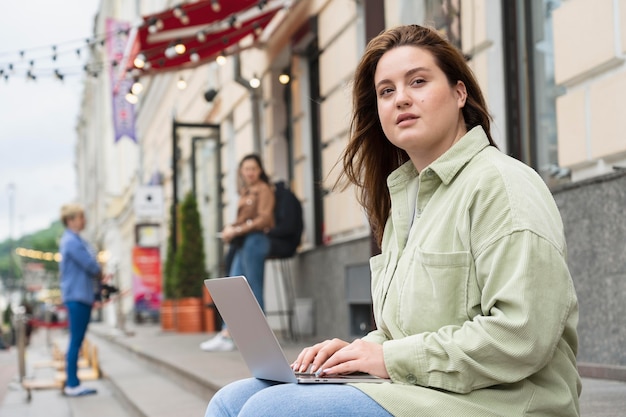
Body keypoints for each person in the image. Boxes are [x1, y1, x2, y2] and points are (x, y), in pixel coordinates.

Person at [203, 24, 580, 416]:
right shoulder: (408, 200)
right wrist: (357, 352)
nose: (401, 99)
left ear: (458, 92)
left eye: (418, 81)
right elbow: (407, 332)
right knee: (231, 400)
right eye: (387, 91)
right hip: (427, 390)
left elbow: (522, 336)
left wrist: (387, 358)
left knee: (270, 410)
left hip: (501, 402)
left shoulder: (502, 185)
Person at [201, 154, 275, 352]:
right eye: (246, 169)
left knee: (254, 288)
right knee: (233, 287)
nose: (250, 172)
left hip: (256, 241)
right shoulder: (245, 192)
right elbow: (243, 220)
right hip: (243, 242)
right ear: (241, 171)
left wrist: (237, 230)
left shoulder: (264, 190)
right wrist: (230, 228)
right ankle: (228, 334)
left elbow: (265, 219)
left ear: (260, 170)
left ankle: (261, 339)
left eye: (253, 168)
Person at [59, 203, 104, 397]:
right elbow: (92, 266)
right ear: (71, 220)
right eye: (80, 217)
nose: (84, 220)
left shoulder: (74, 240)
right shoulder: (72, 241)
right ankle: (72, 383)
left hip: (79, 295)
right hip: (77, 296)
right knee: (75, 342)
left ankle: (73, 382)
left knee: (76, 341)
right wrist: (99, 269)